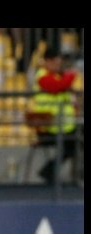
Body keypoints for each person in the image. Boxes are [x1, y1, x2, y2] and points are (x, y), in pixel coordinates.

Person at [33, 47, 79, 184]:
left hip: (64, 125)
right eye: (56, 63)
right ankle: (50, 172)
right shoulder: (41, 76)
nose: (58, 66)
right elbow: (57, 87)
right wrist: (72, 75)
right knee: (73, 144)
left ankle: (52, 172)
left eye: (60, 64)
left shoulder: (57, 75)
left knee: (75, 143)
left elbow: (66, 93)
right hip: (48, 127)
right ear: (48, 61)